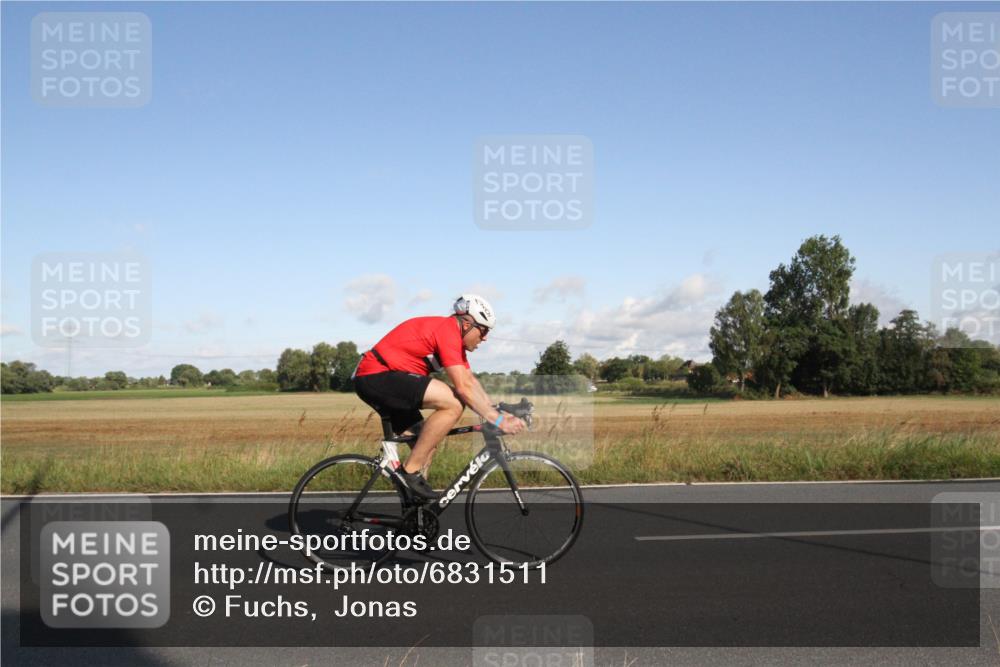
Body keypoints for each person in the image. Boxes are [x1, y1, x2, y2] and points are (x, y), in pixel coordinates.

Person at [352, 294, 526, 500]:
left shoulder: (454, 340)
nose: (485, 337)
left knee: (426, 443)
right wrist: (497, 420)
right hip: (375, 375)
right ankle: (409, 473)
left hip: (383, 379)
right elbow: (462, 389)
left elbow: (470, 381)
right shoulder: (448, 330)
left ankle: (415, 514)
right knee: (453, 403)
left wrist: (496, 411)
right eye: (484, 330)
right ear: (468, 323)